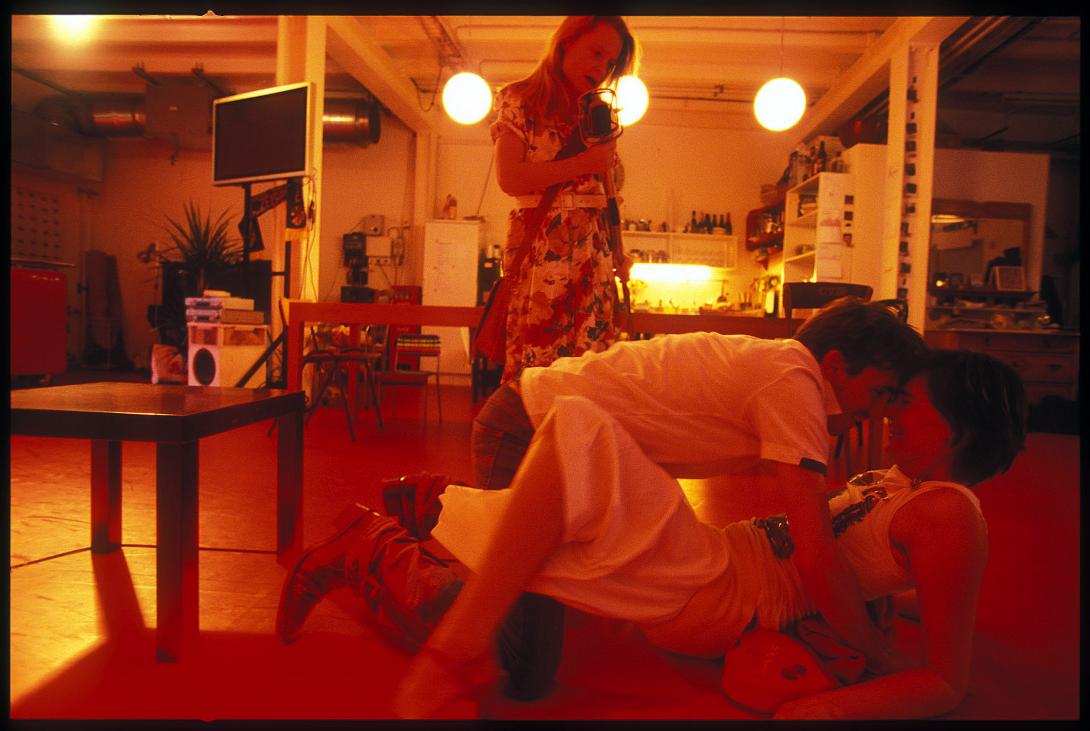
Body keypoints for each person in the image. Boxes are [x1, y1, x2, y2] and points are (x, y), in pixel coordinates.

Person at [275, 348, 1026, 719]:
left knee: (578, 434)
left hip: (724, 593)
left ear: (957, 431)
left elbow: (945, 679)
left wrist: (824, 702)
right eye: (894, 396)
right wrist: (885, 616)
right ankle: (430, 515)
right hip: (719, 563)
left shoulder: (952, 514)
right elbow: (889, 569)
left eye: (909, 404)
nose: (890, 412)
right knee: (556, 510)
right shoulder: (910, 487)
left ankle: (437, 622)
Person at [489, 16, 638, 383]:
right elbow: (510, 178)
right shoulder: (520, 98)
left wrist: (617, 251)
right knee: (537, 376)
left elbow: (606, 193)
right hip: (541, 257)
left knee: (590, 379)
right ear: (566, 42)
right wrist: (584, 163)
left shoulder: (598, 113)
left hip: (594, 261)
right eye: (596, 53)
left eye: (610, 63)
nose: (601, 69)